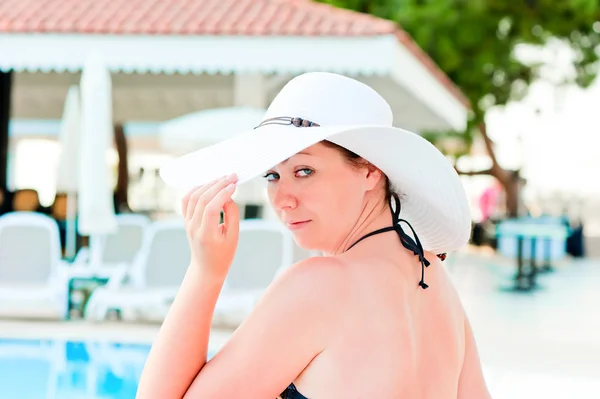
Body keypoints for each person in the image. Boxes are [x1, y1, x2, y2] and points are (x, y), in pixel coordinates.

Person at [137, 72, 491, 398]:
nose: (283, 199)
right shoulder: (432, 276)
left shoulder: (321, 285)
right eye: (272, 176)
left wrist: (205, 272)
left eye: (304, 170)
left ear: (370, 172)